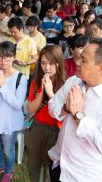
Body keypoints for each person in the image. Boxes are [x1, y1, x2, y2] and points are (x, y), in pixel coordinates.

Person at [48, 38, 102, 182]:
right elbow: (52, 106)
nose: (76, 62)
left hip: (83, 175)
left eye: (83, 60)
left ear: (101, 68)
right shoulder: (73, 81)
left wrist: (78, 115)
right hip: (58, 163)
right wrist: (66, 108)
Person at [0, 41, 28, 182]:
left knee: (8, 149)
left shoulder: (21, 78)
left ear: (14, 57)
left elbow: (17, 104)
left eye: (7, 57)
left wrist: (3, 88)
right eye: (1, 57)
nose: (3, 61)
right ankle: (0, 166)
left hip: (10, 120)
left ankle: (8, 171)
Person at [26, 45, 66, 182]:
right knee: (33, 164)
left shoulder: (66, 85)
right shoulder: (37, 82)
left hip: (56, 130)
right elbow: (30, 109)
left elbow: (63, 114)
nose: (47, 68)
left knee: (49, 168)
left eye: (51, 63)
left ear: (58, 63)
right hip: (37, 126)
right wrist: (42, 91)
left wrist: (50, 93)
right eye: (43, 63)